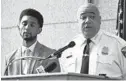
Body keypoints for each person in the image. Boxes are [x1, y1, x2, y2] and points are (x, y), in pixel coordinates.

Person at [59, 3, 126, 79]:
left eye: (92, 17)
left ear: (100, 20)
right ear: (78, 22)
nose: (87, 21)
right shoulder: (69, 48)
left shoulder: (118, 45)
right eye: (83, 17)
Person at [4, 8, 60, 75]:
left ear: (39, 30)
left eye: (32, 25)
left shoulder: (50, 55)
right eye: (24, 24)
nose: (27, 27)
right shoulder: (10, 59)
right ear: (18, 27)